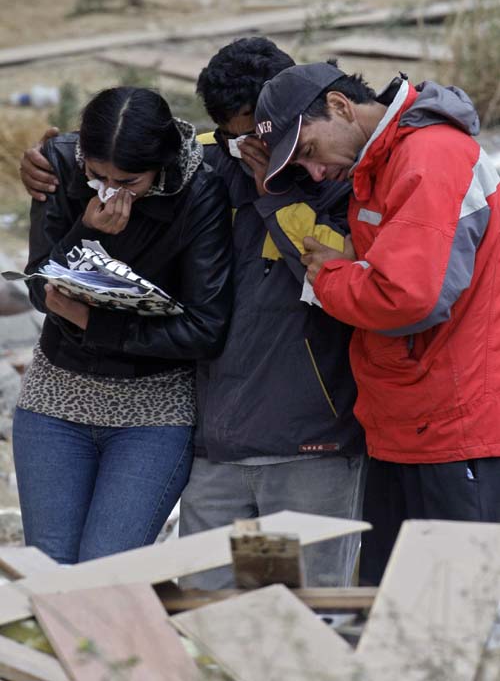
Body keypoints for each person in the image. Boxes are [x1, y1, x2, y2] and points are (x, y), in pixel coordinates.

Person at [20, 39, 367, 588]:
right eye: (234, 134)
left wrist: (273, 191)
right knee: (214, 617)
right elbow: (130, 155)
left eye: (263, 133)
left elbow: (350, 284)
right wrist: (46, 164)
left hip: (305, 447)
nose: (249, 146)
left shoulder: (339, 177)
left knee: (291, 619)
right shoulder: (209, 165)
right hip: (219, 450)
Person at [254, 59, 500, 584]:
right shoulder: (385, 163)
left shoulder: (429, 157)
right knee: (396, 608)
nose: (316, 174)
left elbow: (410, 296)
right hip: (408, 423)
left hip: (452, 427)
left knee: (455, 613)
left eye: (310, 152)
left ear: (341, 106)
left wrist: (330, 277)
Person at [14, 86, 232, 564]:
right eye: (98, 176)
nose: (111, 192)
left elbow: (204, 329)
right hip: (57, 397)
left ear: (161, 165)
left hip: (153, 410)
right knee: (50, 573)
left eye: (129, 181)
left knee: (109, 571)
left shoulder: (200, 190)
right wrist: (87, 232)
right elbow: (38, 287)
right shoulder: (58, 163)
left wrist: (95, 323)